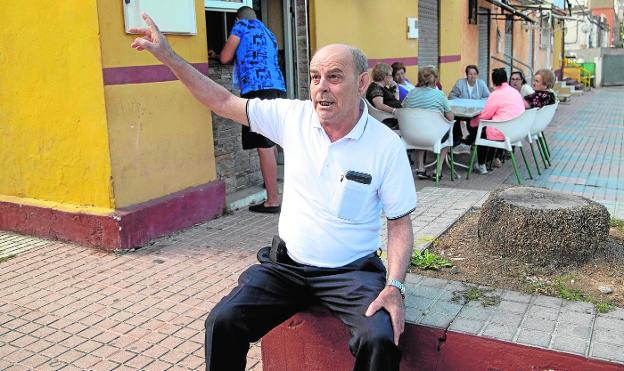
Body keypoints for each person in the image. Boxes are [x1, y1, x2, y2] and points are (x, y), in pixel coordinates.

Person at [130, 13, 416, 371]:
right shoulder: (292, 118)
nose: (321, 88)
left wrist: (395, 286)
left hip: (351, 273)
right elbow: (221, 100)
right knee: (223, 321)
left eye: (334, 77)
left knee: (378, 339)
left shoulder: (386, 146)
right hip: (287, 268)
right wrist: (169, 56)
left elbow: (400, 224)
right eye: (314, 78)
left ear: (361, 84)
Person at [218, 6, 285, 214]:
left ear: (237, 18)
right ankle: (273, 189)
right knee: (270, 141)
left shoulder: (241, 26)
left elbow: (224, 57)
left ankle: (272, 201)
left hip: (257, 88)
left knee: (262, 144)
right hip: (275, 87)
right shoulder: (268, 32)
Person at [402, 66, 454, 180]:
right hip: (434, 137)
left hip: (413, 135)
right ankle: (438, 170)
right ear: (435, 79)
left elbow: (404, 109)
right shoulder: (440, 95)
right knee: (448, 130)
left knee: (420, 127)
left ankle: (420, 168)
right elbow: (450, 117)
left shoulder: (411, 94)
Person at [471, 68, 525, 174]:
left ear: (493, 81)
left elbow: (485, 115)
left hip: (503, 132)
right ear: (506, 79)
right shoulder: (515, 92)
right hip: (518, 130)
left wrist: (473, 122)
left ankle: (481, 164)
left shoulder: (496, 94)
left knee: (480, 131)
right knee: (488, 128)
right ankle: (492, 158)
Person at [366, 63, 402, 129]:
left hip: (393, 118)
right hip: (386, 120)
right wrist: (394, 111)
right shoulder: (375, 88)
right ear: (384, 76)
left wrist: (396, 89)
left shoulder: (383, 88)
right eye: (391, 75)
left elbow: (396, 101)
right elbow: (379, 105)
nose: (392, 78)